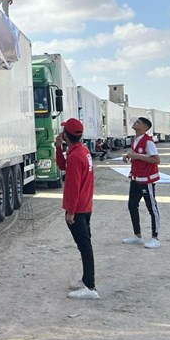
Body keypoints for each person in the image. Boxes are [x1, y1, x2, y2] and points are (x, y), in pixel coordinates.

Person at [56, 118, 98, 299]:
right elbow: (62, 166)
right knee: (85, 245)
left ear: (66, 135)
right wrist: (59, 148)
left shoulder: (75, 156)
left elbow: (73, 186)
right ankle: (86, 280)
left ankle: (90, 287)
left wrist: (70, 211)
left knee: (84, 246)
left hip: (78, 208)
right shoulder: (83, 151)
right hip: (85, 205)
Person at [121, 115, 161, 249]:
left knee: (152, 208)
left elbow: (155, 159)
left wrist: (136, 156)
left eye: (138, 122)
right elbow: (137, 155)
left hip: (146, 179)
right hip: (135, 178)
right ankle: (137, 235)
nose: (135, 123)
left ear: (144, 127)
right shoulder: (135, 139)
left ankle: (155, 238)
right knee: (132, 205)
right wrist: (129, 157)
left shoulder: (148, 141)